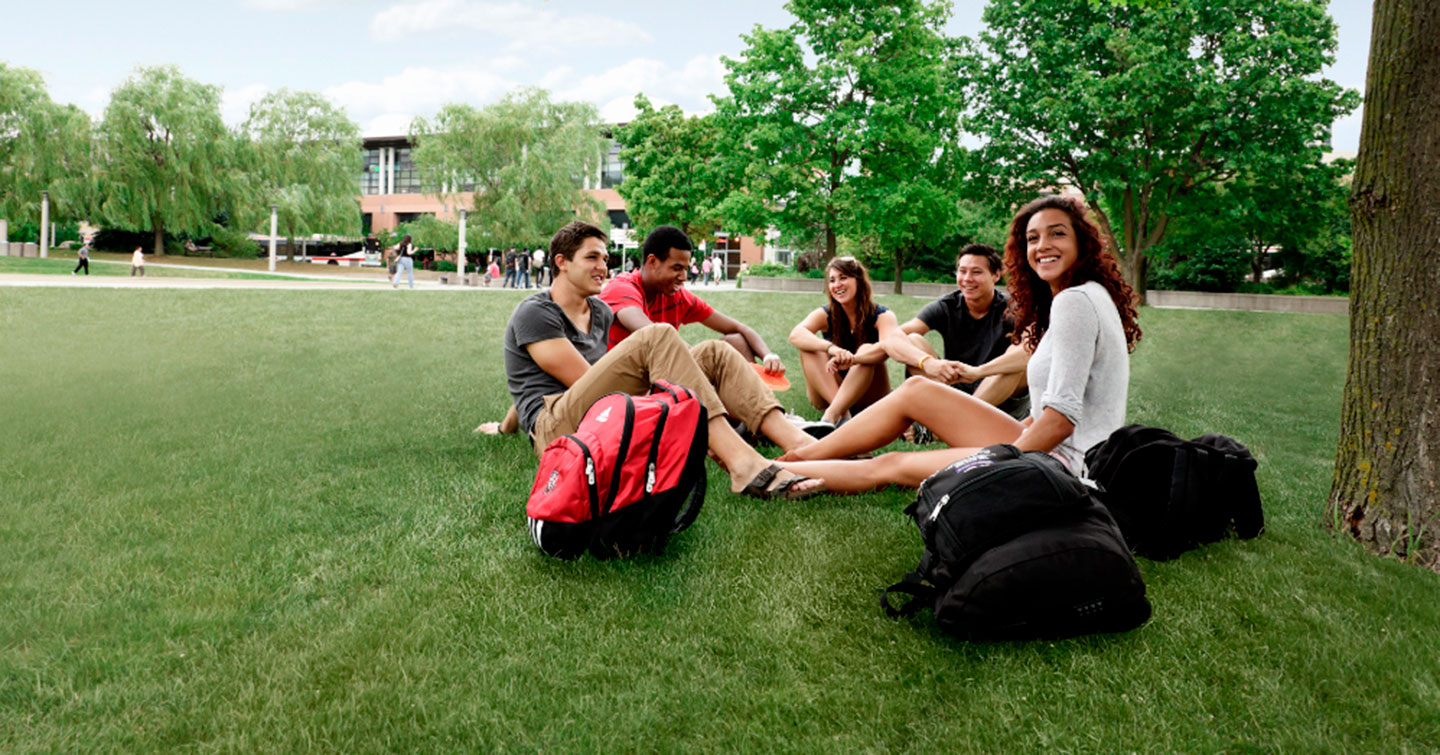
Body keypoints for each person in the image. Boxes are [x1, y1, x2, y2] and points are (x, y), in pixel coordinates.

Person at [776, 195, 1142, 493]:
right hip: (1044, 443)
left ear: (1082, 241)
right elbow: (1050, 413)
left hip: (1061, 466)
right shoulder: (1081, 296)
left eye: (1057, 234)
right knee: (917, 387)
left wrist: (994, 462)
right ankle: (808, 453)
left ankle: (773, 470)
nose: (1042, 246)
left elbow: (1060, 424)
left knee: (892, 464)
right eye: (1033, 238)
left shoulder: (1074, 302)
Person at [500, 220, 825, 500]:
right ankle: (744, 465)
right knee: (658, 335)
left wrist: (503, 427)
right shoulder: (536, 313)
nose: (603, 266)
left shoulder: (598, 311)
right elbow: (583, 387)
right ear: (562, 262)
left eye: (605, 257)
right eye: (591, 257)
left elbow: (544, 383)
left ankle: (801, 444)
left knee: (716, 352)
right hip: (558, 433)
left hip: (596, 415)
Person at [598, 225, 816, 452]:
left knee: (736, 341)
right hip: (631, 397)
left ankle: (758, 423)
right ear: (652, 262)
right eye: (677, 268)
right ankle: (765, 424)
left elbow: (740, 328)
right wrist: (703, 363)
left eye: (686, 268)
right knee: (712, 355)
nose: (684, 276)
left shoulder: (677, 297)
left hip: (667, 388)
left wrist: (768, 354)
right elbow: (653, 334)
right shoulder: (622, 288)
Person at [884, 243, 1030, 426]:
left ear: (996, 275)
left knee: (1015, 361)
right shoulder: (947, 305)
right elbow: (892, 338)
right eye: (962, 271)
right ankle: (954, 421)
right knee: (913, 340)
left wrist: (978, 372)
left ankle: (953, 423)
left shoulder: (1015, 309)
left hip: (999, 395)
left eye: (976, 272)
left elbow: (1030, 351)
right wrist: (928, 363)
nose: (967, 279)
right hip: (956, 387)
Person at [788, 256, 898, 426]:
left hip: (869, 394)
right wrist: (831, 348)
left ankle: (832, 415)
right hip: (830, 391)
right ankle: (842, 414)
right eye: (832, 280)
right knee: (810, 348)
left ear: (858, 281)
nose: (836, 285)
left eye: (843, 278)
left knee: (867, 349)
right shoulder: (827, 314)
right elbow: (796, 334)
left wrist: (854, 359)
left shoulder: (882, 315)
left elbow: (888, 348)